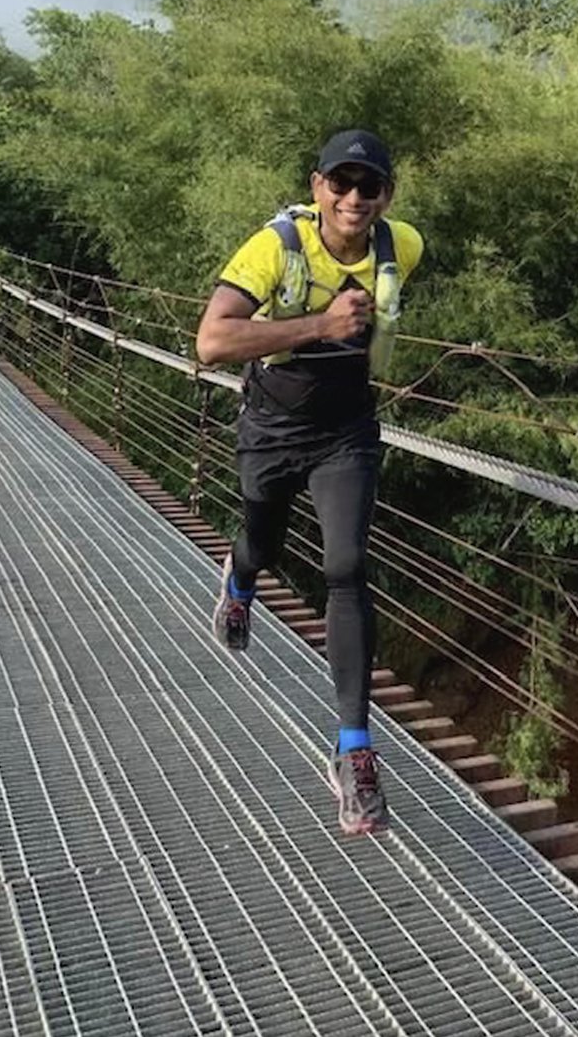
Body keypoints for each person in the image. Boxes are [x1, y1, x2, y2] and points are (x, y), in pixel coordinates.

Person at [196, 129, 423, 834]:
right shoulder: (277, 247)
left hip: (347, 432)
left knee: (346, 567)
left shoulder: (404, 246)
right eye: (341, 183)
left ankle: (354, 752)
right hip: (271, 427)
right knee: (261, 543)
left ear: (387, 195)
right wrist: (321, 325)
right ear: (318, 186)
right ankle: (240, 579)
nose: (355, 197)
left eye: (369, 186)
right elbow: (212, 341)